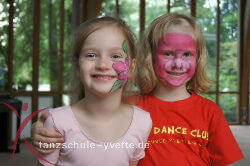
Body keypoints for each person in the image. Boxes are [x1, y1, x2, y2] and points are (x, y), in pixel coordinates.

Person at [32, 13, 243, 166]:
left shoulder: (210, 112)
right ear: (149, 57)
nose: (178, 63)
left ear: (199, 57)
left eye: (187, 54)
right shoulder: (129, 107)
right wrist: (41, 127)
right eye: (168, 53)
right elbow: (87, 115)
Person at [35, 16, 152, 166]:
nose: (103, 65)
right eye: (91, 55)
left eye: (116, 56)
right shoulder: (57, 123)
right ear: (77, 66)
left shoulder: (142, 122)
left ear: (131, 67)